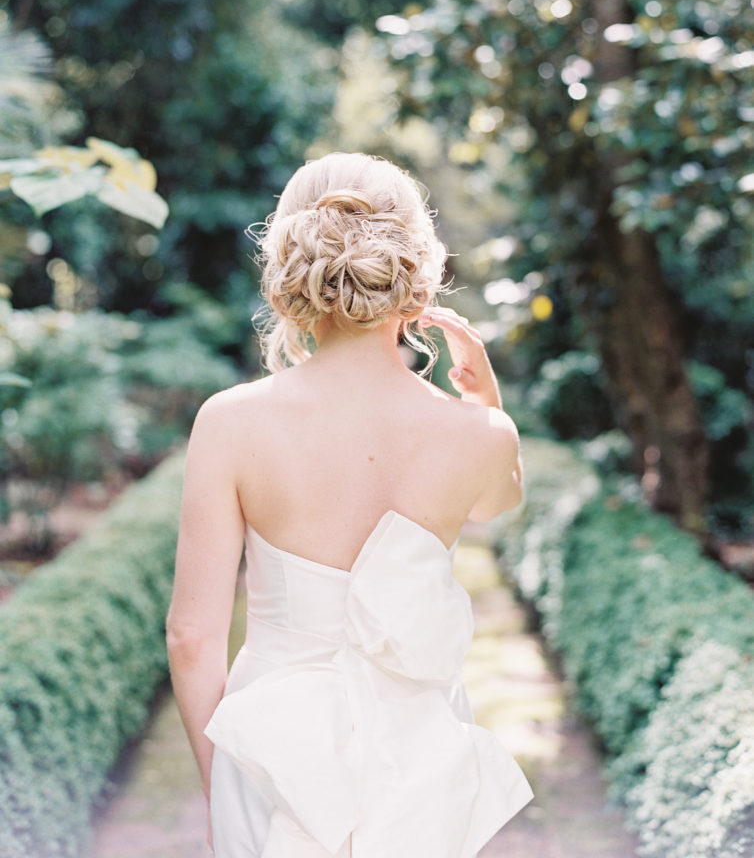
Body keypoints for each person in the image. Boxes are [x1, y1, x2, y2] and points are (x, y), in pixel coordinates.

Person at [166, 152, 533, 858]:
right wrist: (488, 405)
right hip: (421, 766)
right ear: (417, 265)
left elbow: (191, 637)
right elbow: (498, 500)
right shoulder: (482, 436)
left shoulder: (231, 422)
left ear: (289, 259)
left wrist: (224, 784)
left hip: (274, 755)